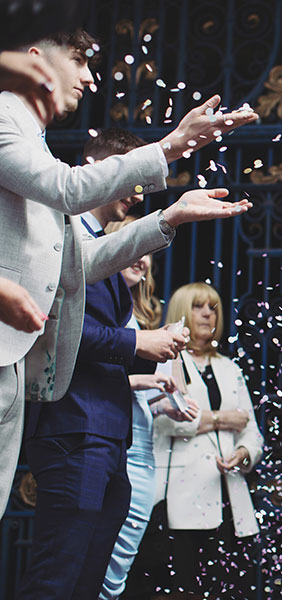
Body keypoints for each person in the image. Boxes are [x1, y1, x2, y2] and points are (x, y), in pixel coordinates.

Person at [0, 27, 257, 511]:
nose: (90, 77)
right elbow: (67, 189)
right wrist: (170, 147)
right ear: (34, 59)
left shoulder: (35, 143)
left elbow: (86, 261)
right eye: (78, 60)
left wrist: (169, 217)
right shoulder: (2, 118)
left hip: (14, 361)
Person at [16, 129, 219, 599]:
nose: (137, 190)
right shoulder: (56, 239)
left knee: (89, 580)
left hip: (111, 436)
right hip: (74, 429)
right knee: (56, 576)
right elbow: (52, 325)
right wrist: (137, 343)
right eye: (128, 177)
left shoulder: (104, 249)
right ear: (93, 169)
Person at [149, 282, 263, 598]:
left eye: (213, 308)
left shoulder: (230, 368)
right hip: (182, 499)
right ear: (181, 311)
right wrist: (223, 419)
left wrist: (244, 452)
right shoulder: (165, 362)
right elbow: (164, 422)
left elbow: (251, 429)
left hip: (229, 498)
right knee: (183, 590)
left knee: (228, 589)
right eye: (199, 306)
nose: (207, 314)